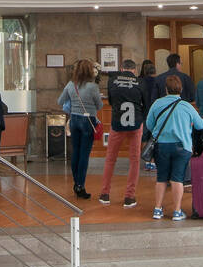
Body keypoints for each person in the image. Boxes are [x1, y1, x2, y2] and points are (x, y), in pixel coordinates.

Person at [144, 74, 203, 221]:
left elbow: (149, 125)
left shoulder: (157, 104)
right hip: (182, 147)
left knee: (161, 178)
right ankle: (177, 211)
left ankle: (157, 209)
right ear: (181, 89)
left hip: (161, 146)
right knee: (177, 178)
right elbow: (200, 125)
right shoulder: (186, 106)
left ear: (166, 89)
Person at [99, 59, 145, 207]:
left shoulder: (112, 81)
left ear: (121, 68)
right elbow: (144, 102)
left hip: (117, 123)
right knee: (134, 160)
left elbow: (111, 101)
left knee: (110, 159)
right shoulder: (140, 82)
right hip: (136, 123)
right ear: (134, 70)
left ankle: (105, 194)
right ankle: (129, 196)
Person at [58, 59, 103, 200]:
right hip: (88, 121)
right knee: (84, 154)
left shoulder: (71, 85)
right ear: (90, 71)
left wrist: (73, 104)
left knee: (75, 152)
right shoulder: (93, 87)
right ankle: (80, 185)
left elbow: (60, 101)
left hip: (74, 120)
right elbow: (100, 105)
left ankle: (76, 182)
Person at [138, 60, 160, 173]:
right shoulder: (159, 81)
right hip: (156, 114)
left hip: (144, 113)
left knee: (144, 138)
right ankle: (154, 162)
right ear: (155, 71)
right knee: (155, 138)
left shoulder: (140, 82)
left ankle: (146, 162)